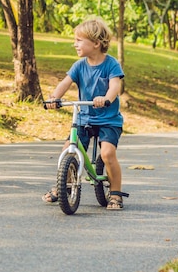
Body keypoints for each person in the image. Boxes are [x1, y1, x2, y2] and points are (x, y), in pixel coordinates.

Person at [42, 18, 128, 210]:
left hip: (108, 119)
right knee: (68, 149)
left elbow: (115, 85)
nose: (75, 44)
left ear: (96, 43)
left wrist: (106, 98)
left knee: (107, 153)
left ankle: (115, 193)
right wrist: (54, 98)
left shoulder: (111, 65)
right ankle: (62, 186)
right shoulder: (79, 66)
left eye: (79, 40)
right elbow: (65, 83)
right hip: (84, 117)